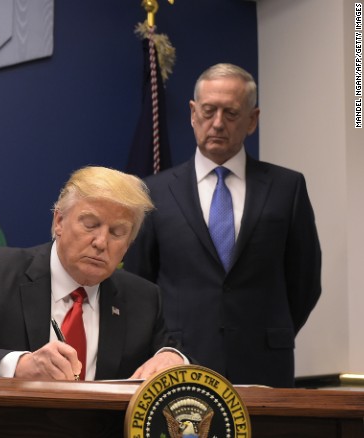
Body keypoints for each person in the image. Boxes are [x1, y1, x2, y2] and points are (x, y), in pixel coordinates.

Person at [123, 63, 322, 388]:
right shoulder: (152, 192)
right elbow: (138, 283)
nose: (217, 123)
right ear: (192, 113)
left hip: (265, 364)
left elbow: (305, 282)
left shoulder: (287, 188)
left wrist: (267, 330)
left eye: (230, 113)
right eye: (208, 111)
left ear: (252, 120)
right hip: (178, 362)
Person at [0, 166, 185, 382]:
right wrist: (20, 365)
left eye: (117, 233)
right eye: (90, 225)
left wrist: (174, 358)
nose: (101, 242)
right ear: (59, 221)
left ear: (128, 244)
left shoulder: (142, 299)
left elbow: (176, 356)